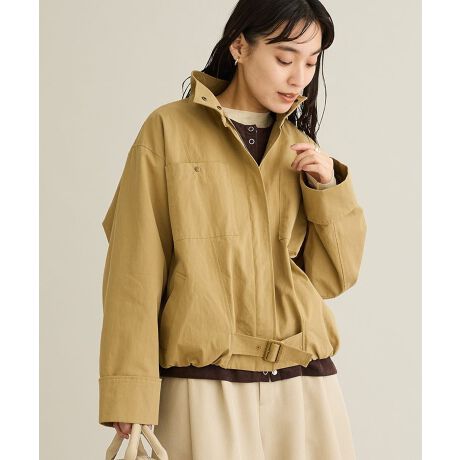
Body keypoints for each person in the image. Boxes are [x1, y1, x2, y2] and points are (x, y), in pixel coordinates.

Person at [99, 0, 367, 458]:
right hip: (204, 382)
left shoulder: (300, 147)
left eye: (311, 62)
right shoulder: (168, 130)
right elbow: (134, 269)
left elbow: (332, 278)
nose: (299, 77)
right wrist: (128, 389)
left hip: (304, 383)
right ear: (240, 47)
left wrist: (328, 189)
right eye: (285, 58)